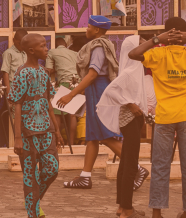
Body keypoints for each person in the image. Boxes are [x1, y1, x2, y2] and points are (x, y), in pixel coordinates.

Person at [128, 17, 186, 218]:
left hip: (164, 118)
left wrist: (157, 40)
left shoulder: (157, 53)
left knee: (160, 167)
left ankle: (157, 213)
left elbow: (133, 53)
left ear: (166, 33)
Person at [57, 16, 127, 189]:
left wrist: (71, 95)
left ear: (96, 30)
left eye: (88, 27)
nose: (86, 29)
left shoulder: (97, 46)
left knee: (103, 135)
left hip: (98, 89)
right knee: (93, 137)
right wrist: (81, 90)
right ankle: (85, 176)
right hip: (94, 88)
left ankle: (136, 167)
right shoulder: (103, 44)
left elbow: (93, 74)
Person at [98, 35, 156, 218]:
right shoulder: (131, 70)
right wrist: (131, 104)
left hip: (133, 119)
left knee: (125, 164)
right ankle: (128, 210)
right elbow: (111, 91)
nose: (144, 46)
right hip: (130, 119)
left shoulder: (137, 67)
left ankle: (122, 207)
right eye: (141, 44)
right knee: (130, 164)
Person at [8, 33, 63, 218]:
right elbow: (17, 104)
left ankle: (34, 200)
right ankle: (33, 212)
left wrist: (56, 130)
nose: (47, 48)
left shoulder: (43, 72)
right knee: (30, 175)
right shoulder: (22, 73)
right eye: (43, 46)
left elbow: (48, 102)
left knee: (52, 169)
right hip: (27, 133)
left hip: (47, 130)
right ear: (31, 50)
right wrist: (17, 138)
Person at [45, 37, 78, 146]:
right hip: (78, 83)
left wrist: (57, 69)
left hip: (66, 83)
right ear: (65, 44)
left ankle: (56, 142)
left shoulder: (52, 52)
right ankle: (71, 143)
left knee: (56, 113)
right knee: (72, 115)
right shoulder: (74, 53)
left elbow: (48, 70)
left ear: (56, 45)